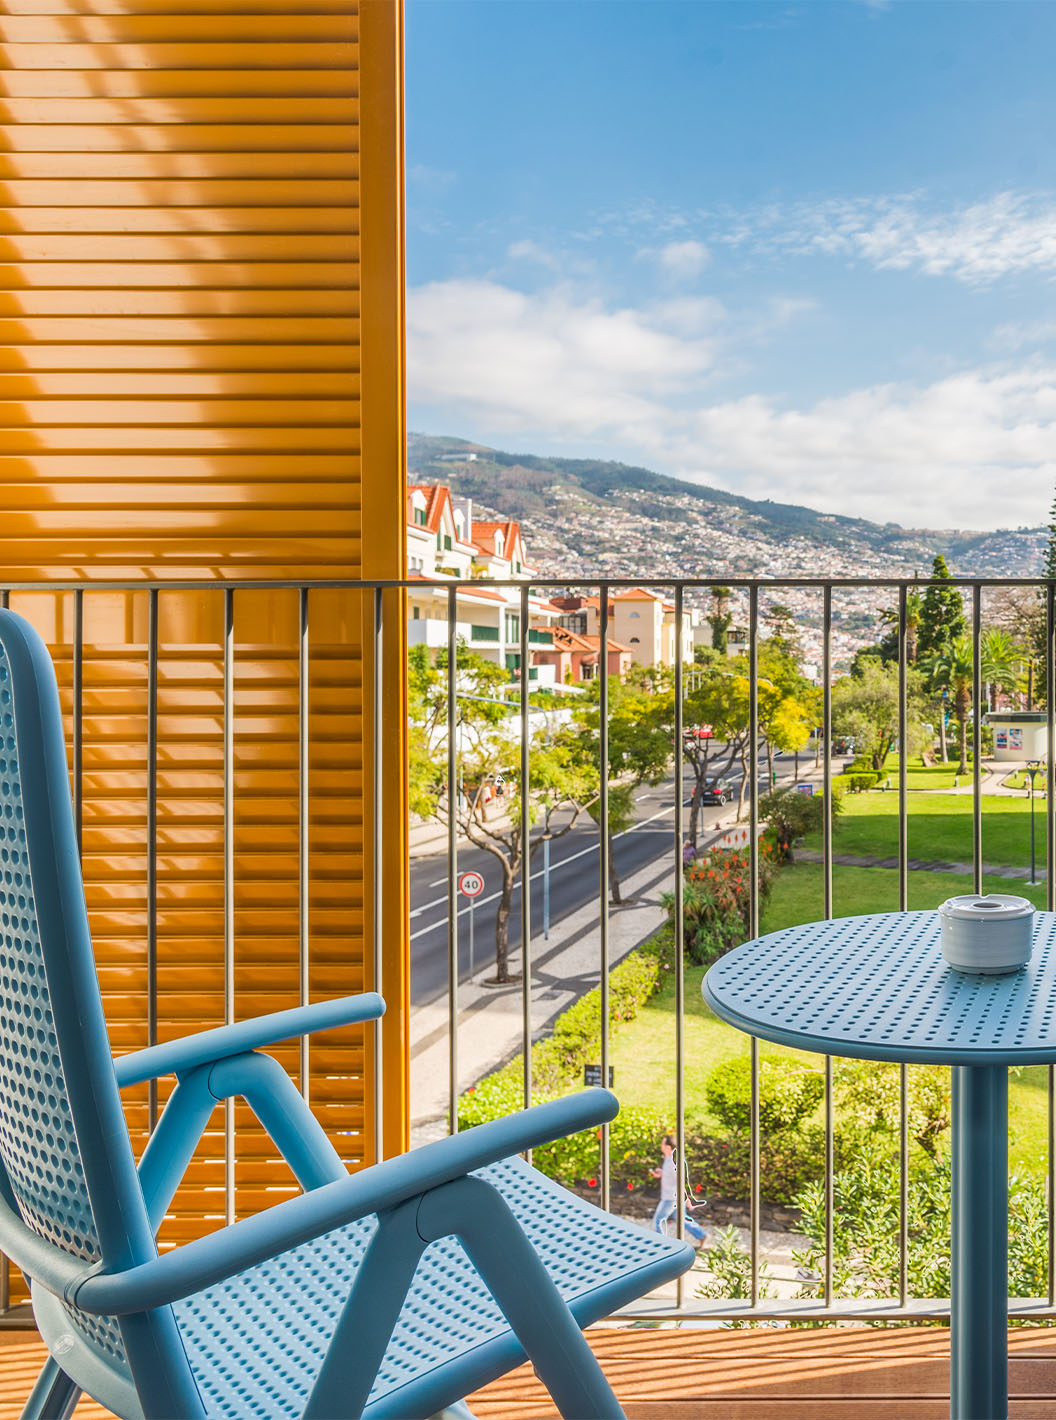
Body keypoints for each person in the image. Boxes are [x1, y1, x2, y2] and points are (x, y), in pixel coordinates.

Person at [650, 1134, 707, 1246]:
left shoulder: (673, 1161)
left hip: (670, 1198)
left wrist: (687, 1199)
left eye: (662, 1143)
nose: (660, 1145)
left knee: (659, 1221)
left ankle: (661, 1246)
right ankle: (701, 1235)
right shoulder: (668, 1158)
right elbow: (672, 1176)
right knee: (682, 1219)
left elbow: (681, 1180)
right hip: (673, 1197)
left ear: (668, 1147)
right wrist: (661, 1173)